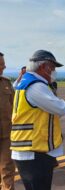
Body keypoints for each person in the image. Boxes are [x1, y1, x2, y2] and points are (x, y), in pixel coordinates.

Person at [10, 50, 65, 190]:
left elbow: (51, 109)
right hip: (34, 151)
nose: (53, 71)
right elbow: (60, 107)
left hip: (30, 148)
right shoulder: (35, 86)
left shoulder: (25, 82)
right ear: (43, 66)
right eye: (52, 67)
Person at [0, 52, 15, 190]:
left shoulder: (6, 82)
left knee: (7, 168)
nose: (3, 67)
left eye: (3, 64)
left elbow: (15, 106)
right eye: (0, 64)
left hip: (6, 134)